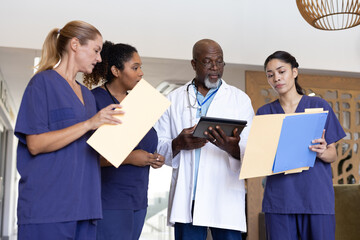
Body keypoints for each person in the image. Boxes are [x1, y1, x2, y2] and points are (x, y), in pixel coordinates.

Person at [14, 21, 124, 240]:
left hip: (86, 207)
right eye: (96, 50)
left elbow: (88, 150)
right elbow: (35, 144)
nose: (99, 58)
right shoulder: (42, 83)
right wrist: (88, 124)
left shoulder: (87, 96)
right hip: (48, 209)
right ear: (75, 44)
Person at [154, 39, 254, 240]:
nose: (215, 67)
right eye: (207, 61)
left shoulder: (239, 99)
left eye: (219, 61)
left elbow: (252, 151)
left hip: (224, 196)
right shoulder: (173, 100)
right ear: (194, 64)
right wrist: (178, 143)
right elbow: (157, 148)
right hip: (187, 198)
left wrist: (231, 148)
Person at [258, 51, 346, 240]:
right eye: (270, 75)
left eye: (282, 71)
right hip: (280, 200)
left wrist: (322, 151)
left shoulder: (319, 105)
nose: (277, 78)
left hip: (316, 198)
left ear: (295, 72)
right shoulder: (265, 113)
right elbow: (260, 157)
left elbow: (333, 155)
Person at [83, 41, 165, 240]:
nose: (141, 73)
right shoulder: (94, 100)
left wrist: (153, 159)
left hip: (138, 200)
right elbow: (86, 157)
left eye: (140, 68)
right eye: (135, 68)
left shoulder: (140, 105)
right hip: (109, 201)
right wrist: (130, 158)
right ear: (116, 71)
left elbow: (144, 146)